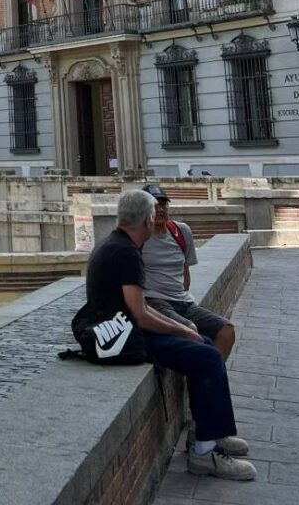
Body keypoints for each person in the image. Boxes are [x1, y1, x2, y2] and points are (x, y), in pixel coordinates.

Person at [81, 188, 255, 481]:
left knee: (206, 348)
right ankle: (203, 453)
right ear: (147, 221)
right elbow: (141, 314)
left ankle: (210, 433)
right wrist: (182, 330)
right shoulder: (127, 254)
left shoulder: (117, 245)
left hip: (123, 330)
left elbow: (142, 307)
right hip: (128, 337)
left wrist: (184, 328)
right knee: (208, 357)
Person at [141, 184, 235, 360]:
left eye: (163, 204)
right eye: (154, 205)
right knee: (192, 333)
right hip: (155, 301)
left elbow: (185, 270)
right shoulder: (140, 235)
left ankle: (214, 377)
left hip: (183, 301)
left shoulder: (181, 231)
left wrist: (183, 295)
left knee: (226, 331)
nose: (160, 209)